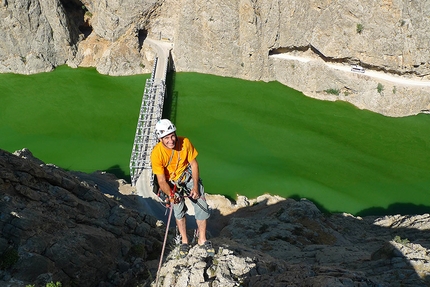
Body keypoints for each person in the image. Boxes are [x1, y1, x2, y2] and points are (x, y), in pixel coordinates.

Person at [150, 119, 214, 257]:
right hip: (171, 183)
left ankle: (202, 239)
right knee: (178, 212)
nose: (171, 140)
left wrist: (195, 187)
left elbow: (194, 165)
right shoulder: (156, 154)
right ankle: (184, 241)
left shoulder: (185, 143)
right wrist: (171, 196)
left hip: (187, 176)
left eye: (172, 135)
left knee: (201, 204)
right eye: (166, 138)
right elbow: (161, 180)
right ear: (160, 139)